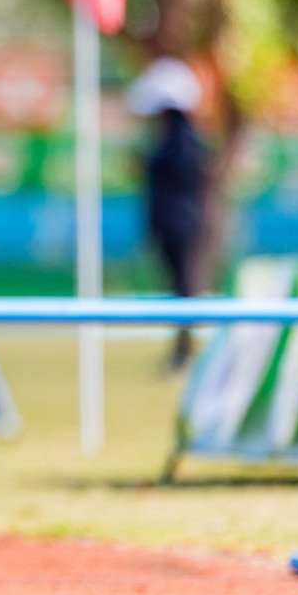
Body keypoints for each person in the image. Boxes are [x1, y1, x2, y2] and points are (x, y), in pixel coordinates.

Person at [127, 58, 207, 369]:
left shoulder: (182, 140)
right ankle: (182, 346)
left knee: (184, 286)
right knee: (179, 287)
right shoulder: (173, 137)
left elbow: (179, 173)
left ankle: (184, 348)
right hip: (173, 222)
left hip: (181, 224)